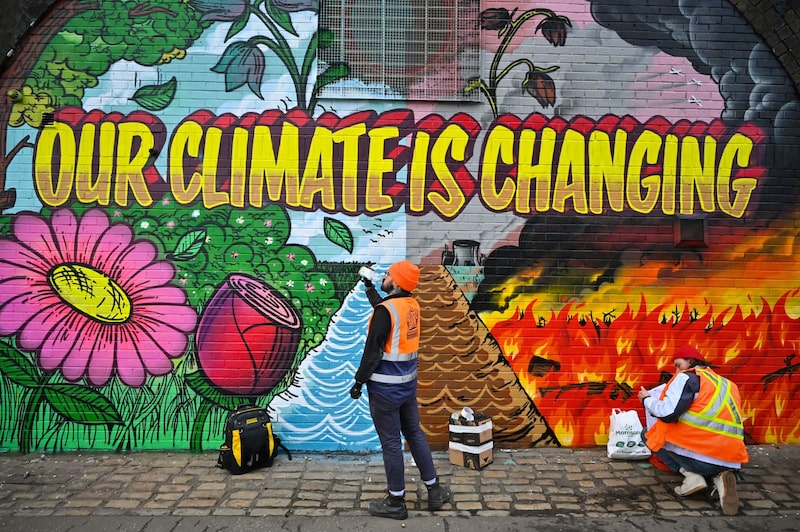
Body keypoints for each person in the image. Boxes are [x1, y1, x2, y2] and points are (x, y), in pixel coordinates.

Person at [349, 260, 451, 520]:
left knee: (392, 444)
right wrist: (369, 288)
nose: (384, 276)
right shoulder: (411, 305)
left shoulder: (387, 311)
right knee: (414, 434)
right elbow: (385, 311)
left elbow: (373, 350)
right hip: (406, 386)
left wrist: (358, 382)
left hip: (385, 390)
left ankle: (396, 501)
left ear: (395, 282)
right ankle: (435, 490)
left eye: (388, 274)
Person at [638, 345, 749, 516]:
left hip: (701, 459)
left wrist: (646, 399)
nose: (676, 371)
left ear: (690, 361)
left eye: (678, 365)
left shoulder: (687, 378)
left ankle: (691, 476)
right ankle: (721, 477)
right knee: (712, 460)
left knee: (648, 434)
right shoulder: (727, 384)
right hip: (732, 459)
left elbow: (667, 413)